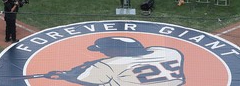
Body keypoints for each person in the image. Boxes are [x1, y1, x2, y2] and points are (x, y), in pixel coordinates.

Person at [32, 36, 185, 85]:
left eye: (105, 50)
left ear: (117, 50)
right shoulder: (169, 52)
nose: (104, 53)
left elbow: (81, 79)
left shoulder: (107, 65)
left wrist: (63, 75)